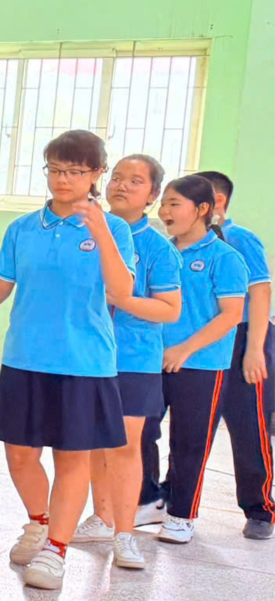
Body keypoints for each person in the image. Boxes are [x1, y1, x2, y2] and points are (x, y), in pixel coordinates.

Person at [0, 130, 135, 593]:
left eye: (75, 171)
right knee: (20, 454)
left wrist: (100, 230)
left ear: (97, 174)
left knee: (72, 459)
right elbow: (1, 285)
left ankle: (56, 549)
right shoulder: (22, 228)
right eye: (55, 169)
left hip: (84, 362)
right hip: (25, 357)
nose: (63, 179)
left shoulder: (115, 230)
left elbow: (122, 291)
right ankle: (39, 522)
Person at [73, 155, 179, 570]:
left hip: (134, 357)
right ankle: (100, 517)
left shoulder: (157, 248)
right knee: (91, 442)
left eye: (135, 181)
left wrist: (123, 299)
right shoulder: (83, 232)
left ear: (153, 195)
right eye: (117, 177)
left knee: (124, 445)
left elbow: (169, 309)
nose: (122, 186)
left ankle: (125, 533)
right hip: (86, 355)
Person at [151, 174, 247, 546]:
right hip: (152, 361)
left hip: (201, 365)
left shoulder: (225, 258)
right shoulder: (161, 251)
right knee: (137, 433)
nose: (165, 211)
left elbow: (230, 315)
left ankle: (181, 515)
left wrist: (184, 349)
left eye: (174, 204)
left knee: (189, 443)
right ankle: (147, 501)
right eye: (164, 203)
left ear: (203, 209)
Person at [193, 171, 274, 539]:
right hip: (205, 339)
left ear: (217, 201)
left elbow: (260, 293)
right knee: (194, 426)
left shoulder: (241, 238)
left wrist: (254, 350)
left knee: (249, 427)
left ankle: (260, 509)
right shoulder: (187, 242)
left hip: (243, 339)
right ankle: (177, 503)